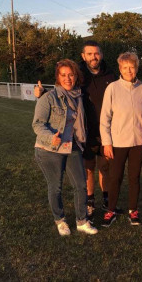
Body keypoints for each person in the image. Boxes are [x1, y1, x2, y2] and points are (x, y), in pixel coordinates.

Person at [35, 40, 119, 219]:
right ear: (83, 56)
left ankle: (106, 199)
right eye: (89, 54)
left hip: (105, 130)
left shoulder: (111, 75)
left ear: (101, 55)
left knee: (105, 167)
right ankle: (89, 201)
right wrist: (41, 94)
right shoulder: (79, 75)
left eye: (96, 53)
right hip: (84, 132)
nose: (93, 57)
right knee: (88, 168)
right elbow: (61, 91)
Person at [32, 59, 98, 236]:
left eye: (71, 74)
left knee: (81, 185)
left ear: (76, 76)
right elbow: (37, 124)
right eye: (63, 75)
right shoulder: (48, 97)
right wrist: (50, 136)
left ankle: (82, 221)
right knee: (56, 187)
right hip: (50, 149)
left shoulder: (79, 95)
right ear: (58, 77)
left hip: (73, 146)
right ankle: (60, 220)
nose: (67, 78)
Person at [100, 52, 142, 227]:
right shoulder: (112, 88)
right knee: (115, 177)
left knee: (134, 177)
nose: (129, 70)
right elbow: (104, 118)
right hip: (118, 142)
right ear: (120, 68)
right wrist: (107, 142)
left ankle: (133, 210)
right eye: (125, 67)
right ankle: (111, 210)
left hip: (139, 142)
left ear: (136, 68)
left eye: (132, 67)